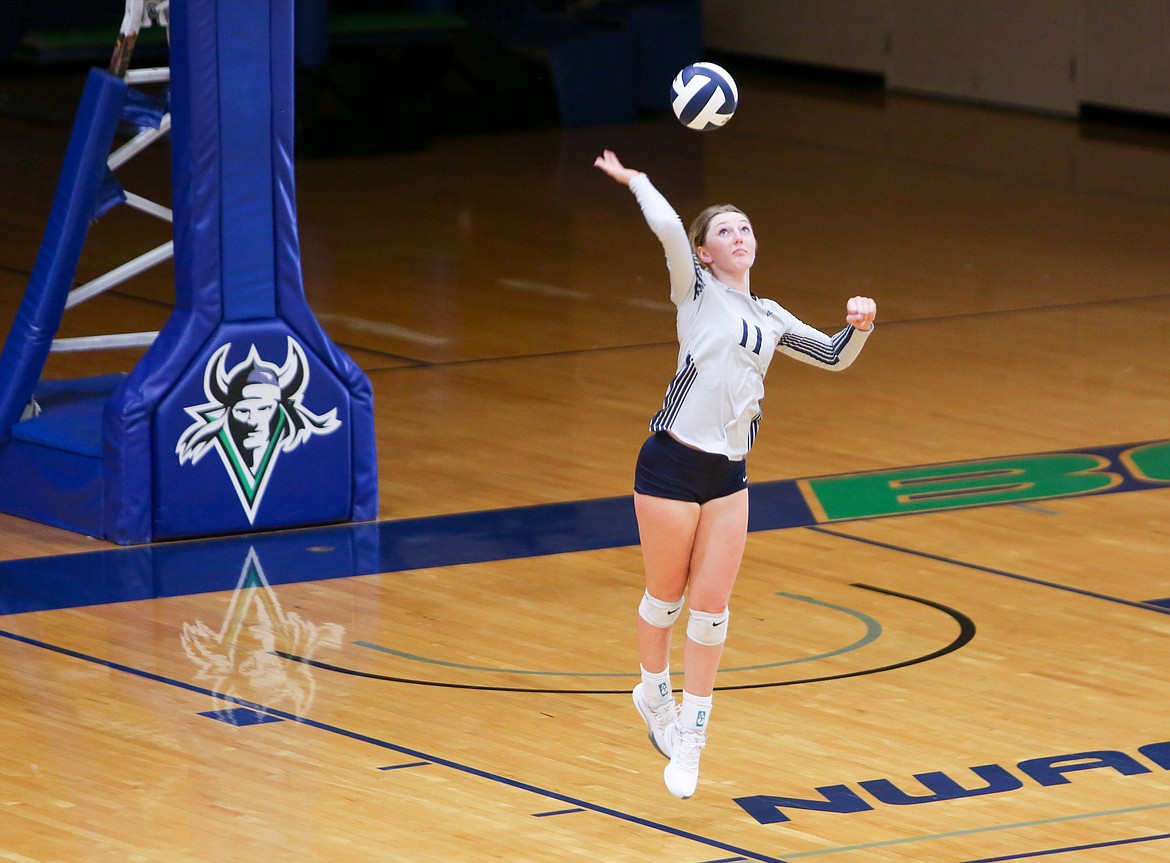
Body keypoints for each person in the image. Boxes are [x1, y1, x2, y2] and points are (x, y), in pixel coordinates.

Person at [593, 149, 877, 799]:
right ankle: (653, 693)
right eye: (724, 230)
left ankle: (692, 738)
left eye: (745, 226)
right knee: (665, 597)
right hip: (669, 462)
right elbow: (668, 229)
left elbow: (833, 356)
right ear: (704, 252)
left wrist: (860, 324)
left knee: (713, 609)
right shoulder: (695, 291)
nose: (738, 235)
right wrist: (638, 180)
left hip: (728, 474)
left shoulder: (771, 315)